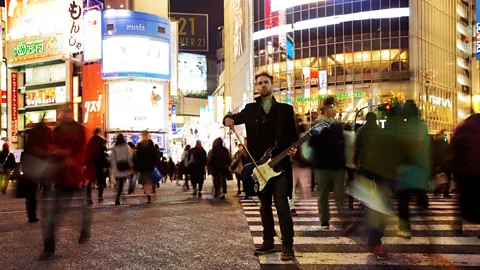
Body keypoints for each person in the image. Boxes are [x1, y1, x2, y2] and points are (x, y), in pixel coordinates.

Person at [223, 71, 297, 261]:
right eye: (259, 83)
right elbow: (231, 116)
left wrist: (294, 150)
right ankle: (268, 242)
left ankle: (287, 246)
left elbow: (293, 138)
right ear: (256, 87)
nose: (262, 85)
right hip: (259, 167)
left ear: (272, 85)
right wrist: (227, 119)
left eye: (265, 82)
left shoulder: (285, 110)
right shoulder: (250, 109)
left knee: (282, 206)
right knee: (264, 207)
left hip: (279, 166)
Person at [40, 108, 90, 260]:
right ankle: (49, 247)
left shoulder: (79, 130)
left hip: (73, 175)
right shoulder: (57, 130)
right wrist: (57, 152)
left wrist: (68, 155)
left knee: (80, 207)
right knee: (53, 214)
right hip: (60, 177)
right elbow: (50, 146)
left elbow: (81, 149)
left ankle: (84, 229)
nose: (65, 116)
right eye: (64, 114)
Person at [309, 98, 346, 230]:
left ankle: (342, 217)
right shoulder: (319, 125)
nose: (334, 110)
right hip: (322, 165)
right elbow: (312, 143)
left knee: (340, 193)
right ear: (325, 109)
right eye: (332, 107)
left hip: (337, 165)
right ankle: (324, 220)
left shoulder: (337, 125)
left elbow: (343, 144)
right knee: (323, 193)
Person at [396, 101, 431, 239]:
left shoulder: (402, 127)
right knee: (420, 198)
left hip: (404, 169)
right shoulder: (423, 126)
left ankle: (405, 229)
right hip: (420, 169)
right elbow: (426, 149)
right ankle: (427, 226)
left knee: (403, 201)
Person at [451, 113, 480, 232]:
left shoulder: (462, 128)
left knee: (462, 197)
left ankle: (458, 222)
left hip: (465, 171)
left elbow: (454, 148)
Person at [21, 119, 53, 223]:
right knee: (35, 191)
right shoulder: (39, 140)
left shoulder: (30, 139)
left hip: (30, 166)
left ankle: (32, 215)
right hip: (34, 167)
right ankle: (34, 214)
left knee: (31, 193)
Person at [289, 117, 311, 217]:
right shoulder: (302, 134)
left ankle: (291, 206)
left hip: (294, 163)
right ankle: (302, 205)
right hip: (300, 163)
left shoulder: (291, 133)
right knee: (303, 185)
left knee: (291, 187)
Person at [84, 127, 108, 204]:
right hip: (100, 164)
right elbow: (104, 154)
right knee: (101, 181)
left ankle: (88, 198)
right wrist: (105, 165)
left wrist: (85, 164)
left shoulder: (90, 141)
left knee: (90, 181)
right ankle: (100, 196)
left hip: (91, 164)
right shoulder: (102, 140)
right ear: (100, 132)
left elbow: (87, 153)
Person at [134, 131, 157, 203]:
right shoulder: (148, 144)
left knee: (146, 182)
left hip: (145, 166)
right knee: (146, 182)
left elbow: (137, 157)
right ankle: (148, 194)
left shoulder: (141, 144)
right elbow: (154, 155)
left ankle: (148, 194)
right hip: (147, 166)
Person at [111, 134, 132, 205]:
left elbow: (112, 158)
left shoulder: (114, 147)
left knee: (118, 183)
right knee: (121, 183)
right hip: (124, 166)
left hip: (117, 166)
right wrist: (129, 164)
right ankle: (118, 196)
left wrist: (113, 167)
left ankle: (118, 195)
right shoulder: (126, 146)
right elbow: (129, 156)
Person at [431, 129, 453, 197]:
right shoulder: (444, 144)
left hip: (440, 163)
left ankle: (438, 191)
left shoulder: (435, 144)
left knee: (439, 177)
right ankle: (445, 192)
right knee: (446, 177)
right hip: (444, 163)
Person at [343, 123, 356, 209]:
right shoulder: (353, 136)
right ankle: (350, 202)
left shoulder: (340, 135)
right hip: (351, 163)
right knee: (351, 183)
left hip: (341, 163)